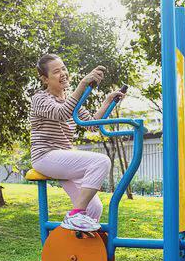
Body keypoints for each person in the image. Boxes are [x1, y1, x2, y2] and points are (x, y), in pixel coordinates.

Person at [29, 54, 125, 232]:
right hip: (45, 156)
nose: (63, 73)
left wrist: (107, 101)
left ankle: (79, 247)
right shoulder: (39, 99)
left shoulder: (70, 101)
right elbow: (61, 113)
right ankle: (75, 215)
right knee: (101, 161)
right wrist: (82, 84)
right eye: (56, 71)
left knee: (95, 208)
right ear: (45, 79)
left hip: (63, 158)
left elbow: (92, 124)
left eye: (63, 68)